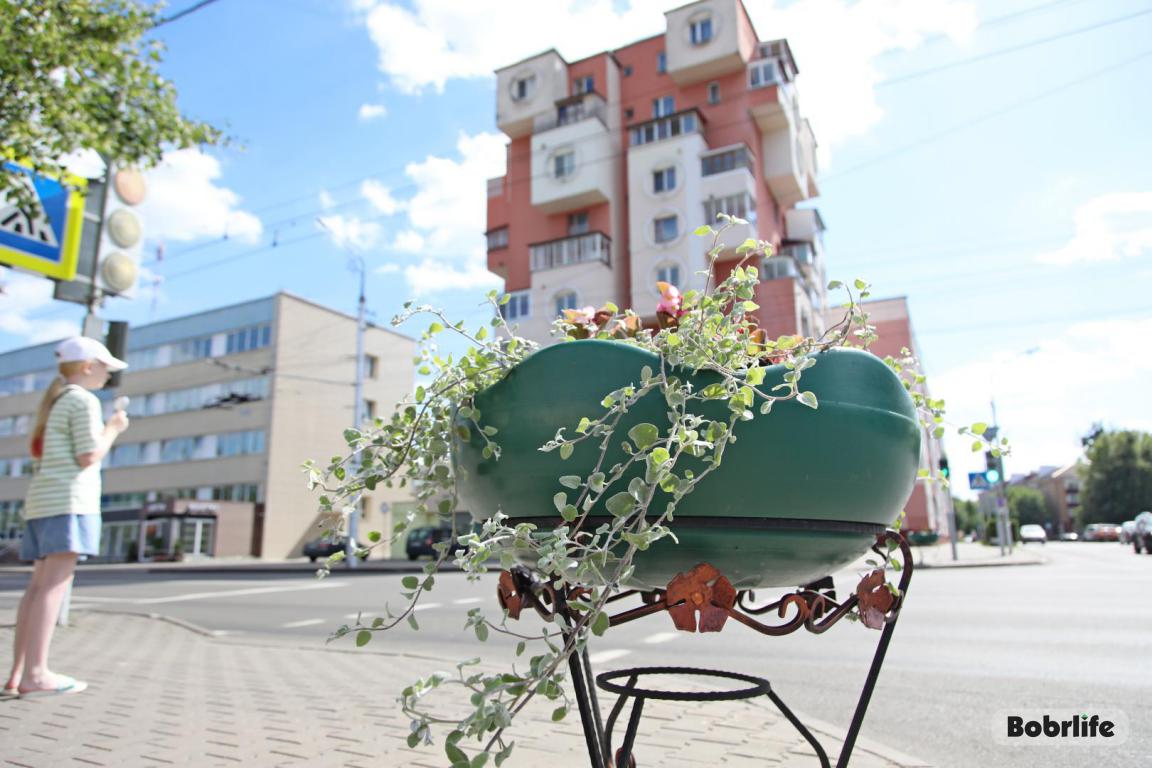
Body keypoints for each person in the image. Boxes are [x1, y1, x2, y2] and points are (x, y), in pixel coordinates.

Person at [3, 337, 129, 698]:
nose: (107, 375)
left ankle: (18, 673)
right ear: (88, 366)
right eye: (105, 368)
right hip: (70, 501)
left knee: (38, 587)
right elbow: (88, 456)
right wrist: (114, 428)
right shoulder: (83, 401)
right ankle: (36, 674)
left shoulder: (55, 402)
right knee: (54, 587)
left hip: (42, 502)